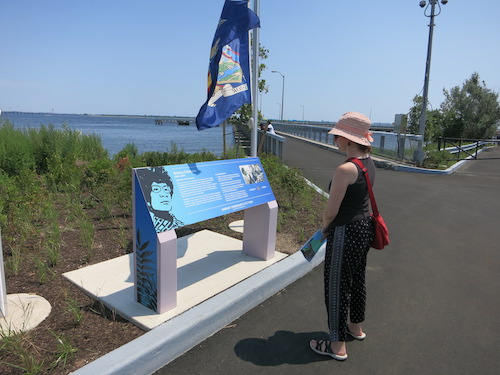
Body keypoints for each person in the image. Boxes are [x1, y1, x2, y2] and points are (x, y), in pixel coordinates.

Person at [309, 111, 376, 361]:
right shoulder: (368, 162)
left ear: (348, 140)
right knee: (357, 279)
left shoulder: (345, 169)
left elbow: (331, 211)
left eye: (336, 136)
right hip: (364, 228)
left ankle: (337, 345)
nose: (334, 140)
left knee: (336, 285)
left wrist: (324, 228)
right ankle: (355, 328)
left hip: (346, 231)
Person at [138, 167, 184, 232]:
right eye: (156, 189)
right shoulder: (150, 229)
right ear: (148, 200)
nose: (164, 194)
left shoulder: (179, 223)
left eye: (166, 189)